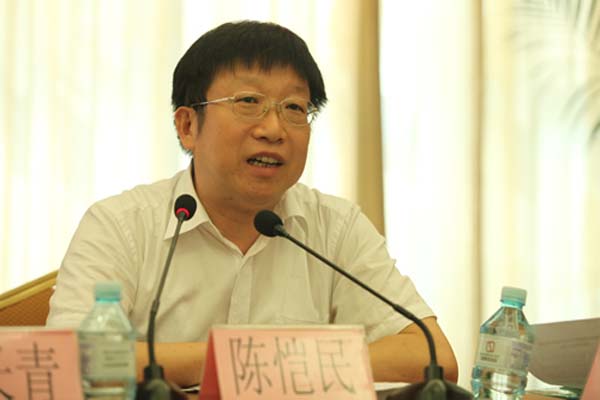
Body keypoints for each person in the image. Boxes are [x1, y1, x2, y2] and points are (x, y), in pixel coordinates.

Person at [46, 20, 458, 387]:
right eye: (248, 102)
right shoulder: (120, 225)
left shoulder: (336, 227)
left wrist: (270, 363)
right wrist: (240, 362)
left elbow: (431, 355)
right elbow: (70, 361)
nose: (274, 129)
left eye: (294, 108)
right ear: (188, 126)